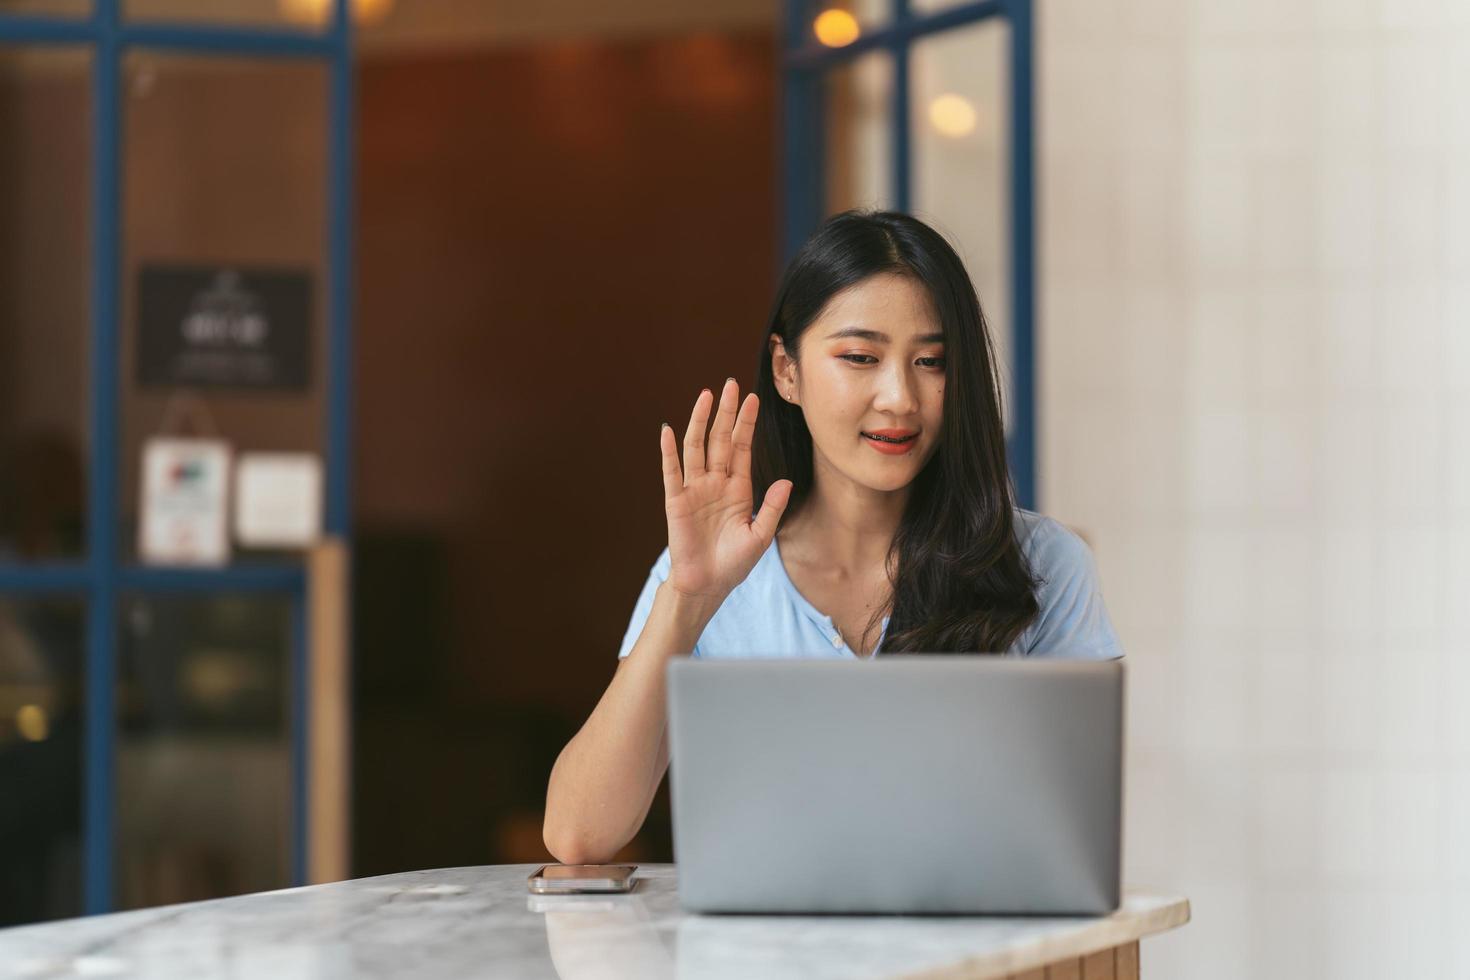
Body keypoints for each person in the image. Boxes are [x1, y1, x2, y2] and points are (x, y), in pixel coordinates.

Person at [542, 209, 1122, 865]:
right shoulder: (705, 574)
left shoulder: (1046, 564)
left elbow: (1073, 845)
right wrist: (687, 601)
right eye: (860, 357)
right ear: (787, 371)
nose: (900, 397)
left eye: (932, 361)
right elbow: (578, 835)